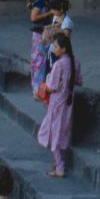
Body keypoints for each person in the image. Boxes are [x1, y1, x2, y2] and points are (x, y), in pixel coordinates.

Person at [37, 33, 82, 177]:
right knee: (61, 132)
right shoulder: (75, 61)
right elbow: (79, 81)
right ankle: (58, 162)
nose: (54, 49)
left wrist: (44, 86)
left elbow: (52, 87)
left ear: (63, 49)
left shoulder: (59, 65)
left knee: (53, 133)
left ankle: (60, 167)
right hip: (68, 102)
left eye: (56, 46)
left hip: (57, 103)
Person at [27, 0, 53, 98]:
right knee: (40, 60)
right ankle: (37, 89)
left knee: (39, 59)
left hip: (42, 32)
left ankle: (39, 88)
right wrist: (49, 13)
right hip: (41, 33)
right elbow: (33, 17)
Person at [42, 0, 73, 76]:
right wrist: (48, 31)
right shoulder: (55, 17)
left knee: (56, 73)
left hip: (60, 52)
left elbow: (66, 37)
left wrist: (56, 30)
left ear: (61, 10)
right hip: (53, 49)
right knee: (49, 73)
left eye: (54, 9)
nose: (52, 11)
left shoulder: (67, 22)